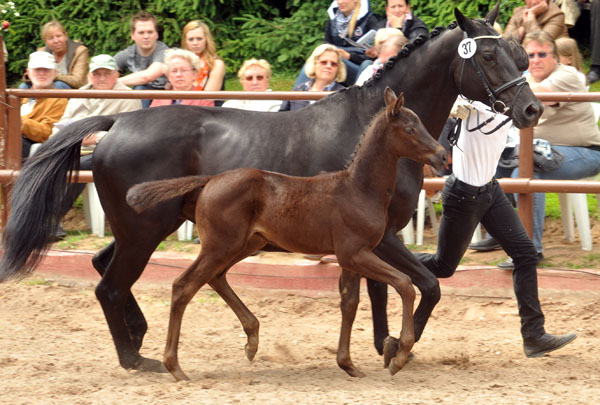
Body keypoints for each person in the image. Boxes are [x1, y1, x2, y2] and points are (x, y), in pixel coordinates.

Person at [413, 96, 577, 359]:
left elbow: (532, 113)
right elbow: (449, 85)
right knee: (443, 267)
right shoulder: (471, 99)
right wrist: (450, 106)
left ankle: (534, 336)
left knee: (525, 255)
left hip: (490, 190)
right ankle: (389, 260)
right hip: (464, 194)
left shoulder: (508, 99)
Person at [473, 31, 600, 268]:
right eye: (530, 54)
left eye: (543, 54)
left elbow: (537, 95)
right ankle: (500, 235)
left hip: (586, 152)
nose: (536, 59)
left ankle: (530, 250)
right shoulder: (522, 79)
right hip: (542, 151)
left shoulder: (568, 75)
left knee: (527, 170)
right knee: (496, 164)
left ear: (557, 58)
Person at [51, 54, 142, 235]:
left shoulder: (129, 97)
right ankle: (33, 216)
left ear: (116, 75)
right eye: (97, 74)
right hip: (75, 147)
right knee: (45, 159)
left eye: (106, 74)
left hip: (109, 153)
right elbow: (60, 127)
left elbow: (132, 138)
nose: (101, 78)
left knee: (81, 165)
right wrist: (74, 137)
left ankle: (51, 219)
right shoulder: (80, 94)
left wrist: (99, 138)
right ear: (89, 76)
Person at [114, 11, 169, 108]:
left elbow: (148, 76)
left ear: (157, 34)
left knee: (141, 89)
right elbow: (105, 68)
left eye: (150, 32)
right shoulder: (129, 53)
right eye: (141, 33)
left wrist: (114, 82)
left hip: (165, 98)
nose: (146, 36)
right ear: (133, 35)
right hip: (141, 98)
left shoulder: (164, 52)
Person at [20, 51, 68, 158]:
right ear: (28, 72)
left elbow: (48, 132)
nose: (41, 73)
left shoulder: (59, 100)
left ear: (54, 73)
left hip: (33, 148)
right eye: (37, 69)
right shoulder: (19, 97)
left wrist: (17, 121)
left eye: (46, 70)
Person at [21, 20, 89, 89]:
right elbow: (29, 75)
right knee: (24, 86)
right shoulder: (41, 52)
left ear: (65, 36)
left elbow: (78, 82)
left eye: (59, 36)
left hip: (73, 91)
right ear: (46, 42)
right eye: (50, 38)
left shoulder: (79, 51)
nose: (56, 41)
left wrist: (53, 75)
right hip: (45, 86)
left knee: (58, 85)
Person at [279, 44, 346, 111]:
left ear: (338, 68)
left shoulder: (345, 96)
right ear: (314, 64)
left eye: (333, 64)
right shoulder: (298, 90)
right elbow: (281, 117)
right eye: (323, 62)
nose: (328, 66)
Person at [150, 49, 214, 107]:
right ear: (168, 75)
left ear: (194, 74)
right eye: (174, 71)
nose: (178, 74)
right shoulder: (159, 99)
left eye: (183, 70)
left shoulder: (204, 100)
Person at [181, 20, 226, 94]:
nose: (195, 43)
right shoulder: (180, 62)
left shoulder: (216, 64)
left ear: (206, 40)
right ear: (185, 41)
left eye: (199, 39)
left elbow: (209, 96)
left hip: (207, 104)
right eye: (191, 39)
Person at [503, 0, 569, 43]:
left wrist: (531, 16)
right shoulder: (518, 12)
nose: (533, 2)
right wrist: (522, 29)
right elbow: (504, 42)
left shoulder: (556, 15)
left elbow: (542, 44)